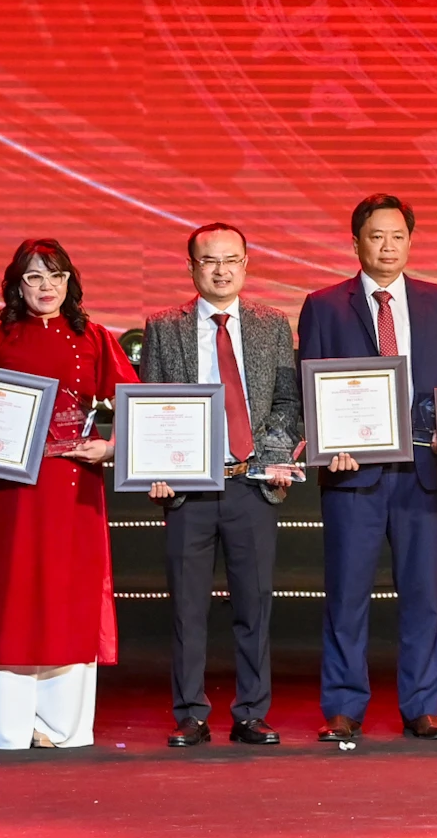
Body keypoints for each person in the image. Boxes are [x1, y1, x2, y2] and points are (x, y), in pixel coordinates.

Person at [298, 194, 437, 743]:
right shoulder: (324, 305)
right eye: (376, 236)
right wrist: (329, 444)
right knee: (346, 594)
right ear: (356, 243)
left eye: (398, 236)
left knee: (422, 594)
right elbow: (312, 385)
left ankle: (422, 705)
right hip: (354, 474)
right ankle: (344, 706)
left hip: (422, 470)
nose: (387, 246)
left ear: (410, 242)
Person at [0, 239, 135, 749]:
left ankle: (63, 726)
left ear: (69, 282)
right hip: (12, 490)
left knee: (69, 594)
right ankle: (8, 728)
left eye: (55, 277)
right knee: (13, 596)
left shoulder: (94, 336)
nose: (45, 288)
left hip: (74, 487)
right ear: (18, 284)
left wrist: (111, 447)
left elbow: (132, 399)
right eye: (34, 277)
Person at [141, 222, 302, 748]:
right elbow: (153, 404)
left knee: (254, 605)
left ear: (247, 264)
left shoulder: (272, 324)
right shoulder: (164, 327)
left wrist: (275, 458)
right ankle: (190, 712)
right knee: (188, 608)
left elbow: (286, 403)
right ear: (192, 267)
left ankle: (251, 712)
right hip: (189, 489)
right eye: (209, 261)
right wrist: (156, 468)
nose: (221, 270)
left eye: (231, 259)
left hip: (250, 486)